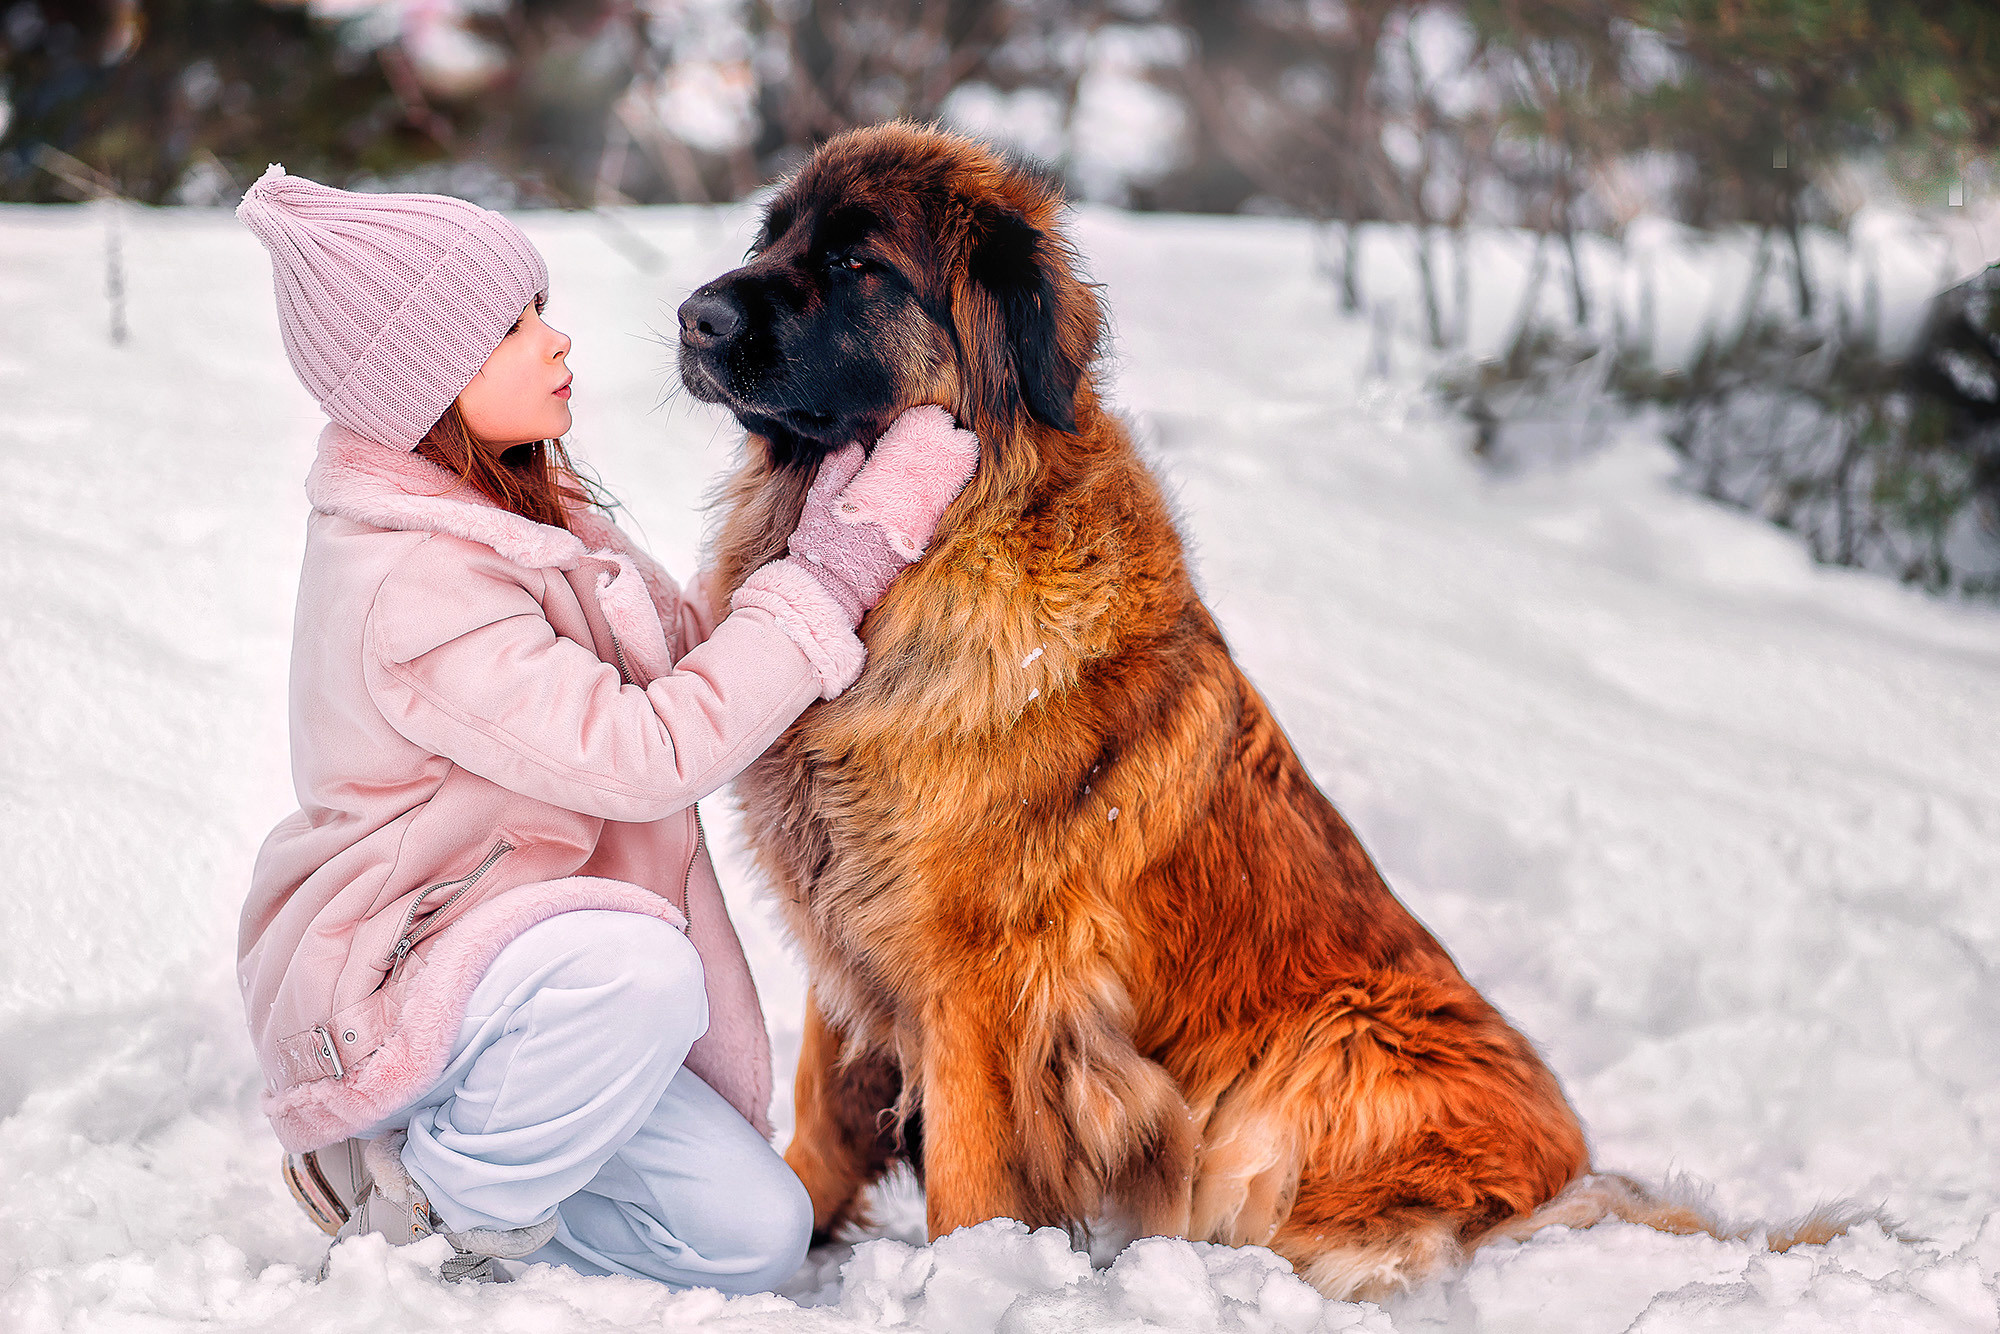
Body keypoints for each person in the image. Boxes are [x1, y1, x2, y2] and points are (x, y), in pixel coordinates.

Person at [233, 166, 976, 1289]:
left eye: (540, 309)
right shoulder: (411, 585)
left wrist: (836, 522)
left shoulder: (526, 512)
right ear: (422, 386)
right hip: (417, 982)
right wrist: (832, 569)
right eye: (509, 331)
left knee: (754, 1234)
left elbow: (689, 659)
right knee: (641, 970)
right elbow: (648, 751)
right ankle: (418, 1203)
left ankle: (480, 1177)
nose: (555, 342)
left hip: (530, 994)